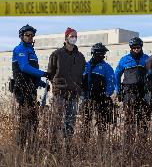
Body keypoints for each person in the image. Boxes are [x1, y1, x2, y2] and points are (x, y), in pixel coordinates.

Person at [47, 27, 86, 157]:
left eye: (75, 36)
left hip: (74, 93)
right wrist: (57, 86)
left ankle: (67, 147)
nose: (74, 38)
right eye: (71, 36)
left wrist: (79, 89)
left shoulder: (80, 57)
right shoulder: (56, 54)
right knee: (57, 120)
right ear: (66, 38)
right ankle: (53, 147)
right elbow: (50, 74)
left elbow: (82, 75)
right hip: (60, 93)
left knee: (70, 121)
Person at [12, 24, 50, 151]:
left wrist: (42, 83)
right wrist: (43, 73)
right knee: (24, 120)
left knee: (34, 120)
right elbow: (24, 68)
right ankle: (20, 148)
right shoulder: (20, 49)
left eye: (32, 35)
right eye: (27, 35)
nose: (30, 37)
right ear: (22, 36)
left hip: (31, 89)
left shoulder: (31, 52)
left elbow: (32, 75)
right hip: (22, 89)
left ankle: (32, 147)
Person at [114, 37, 149, 144]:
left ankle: (143, 144)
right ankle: (128, 143)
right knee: (129, 119)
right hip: (129, 92)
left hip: (143, 92)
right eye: (134, 47)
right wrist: (118, 89)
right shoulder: (125, 59)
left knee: (143, 119)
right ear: (131, 48)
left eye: (138, 47)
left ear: (141, 47)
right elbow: (117, 74)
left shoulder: (147, 59)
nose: (136, 49)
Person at [81, 43, 115, 143]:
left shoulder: (106, 67)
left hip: (101, 98)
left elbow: (111, 82)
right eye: (98, 53)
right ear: (93, 53)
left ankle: (101, 144)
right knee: (86, 121)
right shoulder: (86, 66)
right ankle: (85, 143)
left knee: (102, 122)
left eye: (102, 54)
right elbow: (80, 80)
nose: (101, 55)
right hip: (87, 97)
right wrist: (82, 94)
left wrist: (106, 95)